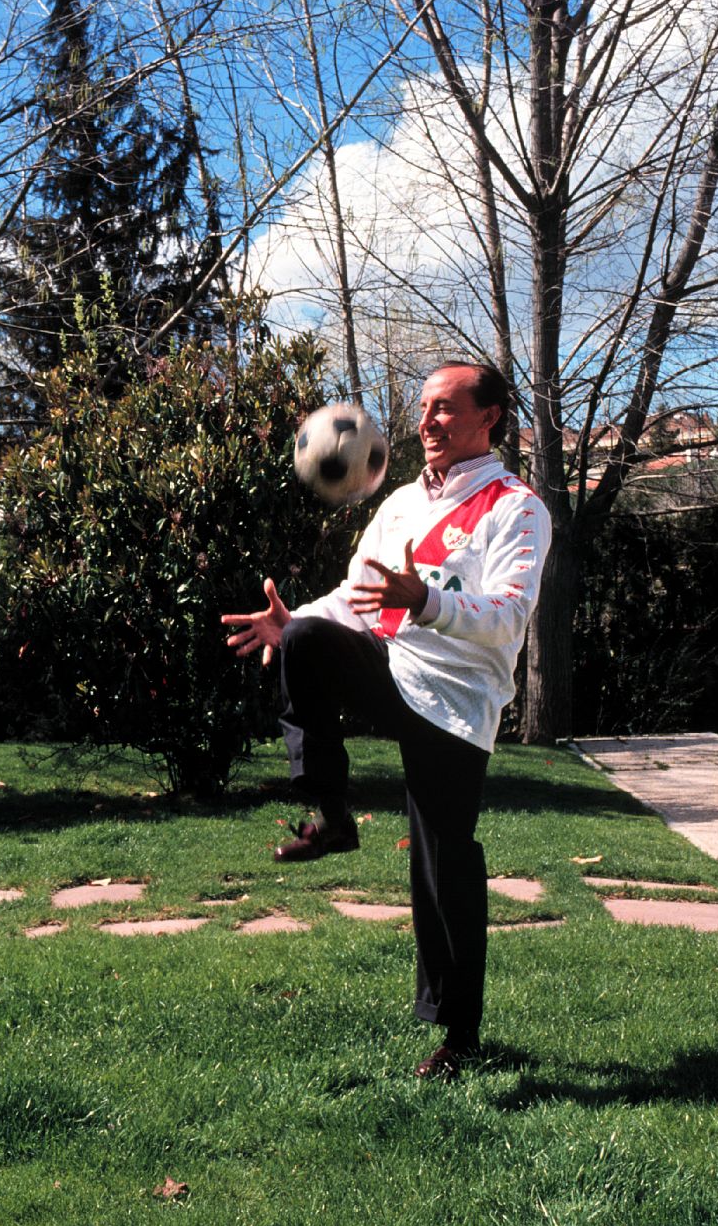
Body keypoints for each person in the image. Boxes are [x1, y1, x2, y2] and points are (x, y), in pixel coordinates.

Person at [221, 360, 551, 1080]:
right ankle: (333, 815)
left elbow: (508, 616)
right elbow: (355, 597)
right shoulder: (400, 502)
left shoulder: (517, 508)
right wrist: (291, 621)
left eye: (444, 407)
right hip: (389, 665)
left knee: (443, 861)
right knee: (307, 640)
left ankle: (459, 1036)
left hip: (456, 698)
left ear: (489, 416)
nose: (426, 421)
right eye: (424, 408)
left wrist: (426, 600)